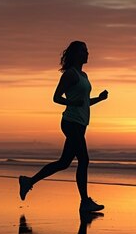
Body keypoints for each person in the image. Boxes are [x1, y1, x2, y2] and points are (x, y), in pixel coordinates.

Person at [18, 41, 108, 212]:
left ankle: (28, 181)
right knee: (84, 160)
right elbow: (56, 97)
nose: (87, 53)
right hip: (70, 122)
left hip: (81, 124)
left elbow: (85, 103)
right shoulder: (70, 74)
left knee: (64, 163)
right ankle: (85, 202)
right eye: (84, 50)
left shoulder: (84, 76)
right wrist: (71, 102)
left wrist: (99, 99)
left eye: (87, 50)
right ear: (75, 54)